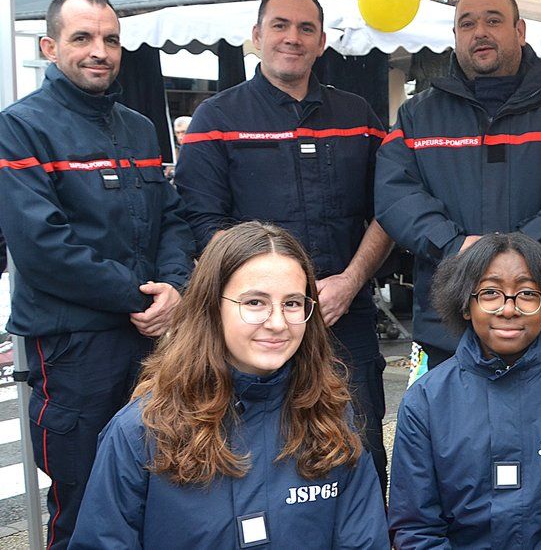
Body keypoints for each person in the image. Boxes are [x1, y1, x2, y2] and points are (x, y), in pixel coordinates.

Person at [174, 0, 393, 497]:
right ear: (256, 37)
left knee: (357, 450)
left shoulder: (358, 116)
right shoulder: (216, 120)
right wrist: (278, 299)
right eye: (279, 26)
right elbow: (203, 223)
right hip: (254, 327)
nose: (292, 38)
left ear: (321, 43)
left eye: (305, 28)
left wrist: (352, 279)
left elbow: (391, 209)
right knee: (259, 457)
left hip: (346, 318)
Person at [0, 0, 193, 549]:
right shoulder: (20, 127)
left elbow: (173, 220)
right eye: (82, 37)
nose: (99, 51)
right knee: (84, 507)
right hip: (73, 349)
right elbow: (42, 247)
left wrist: (177, 288)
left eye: (110, 39)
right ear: (49, 45)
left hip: (154, 341)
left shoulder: (138, 128)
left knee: (164, 491)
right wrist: (143, 298)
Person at [71, 222, 388, 548]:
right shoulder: (142, 431)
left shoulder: (332, 417)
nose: (277, 323)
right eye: (255, 302)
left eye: (292, 303)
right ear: (211, 307)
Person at [374, 0, 541, 369]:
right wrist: (453, 246)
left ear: (519, 31)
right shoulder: (417, 116)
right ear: (456, 37)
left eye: (493, 20)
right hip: (450, 329)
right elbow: (395, 195)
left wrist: (523, 249)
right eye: (466, 24)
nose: (479, 32)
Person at [388, 232, 541, 547]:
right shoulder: (426, 400)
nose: (508, 309)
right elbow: (416, 529)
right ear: (465, 305)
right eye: (490, 293)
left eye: (527, 294)